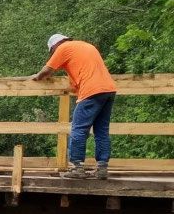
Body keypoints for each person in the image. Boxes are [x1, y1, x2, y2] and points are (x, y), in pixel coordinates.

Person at [29, 34, 117, 179]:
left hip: (92, 90)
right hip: (109, 89)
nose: (54, 54)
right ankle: (102, 169)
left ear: (55, 46)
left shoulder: (63, 48)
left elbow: (47, 70)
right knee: (101, 131)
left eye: (53, 51)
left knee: (78, 129)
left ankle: (77, 167)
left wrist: (37, 77)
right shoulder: (85, 46)